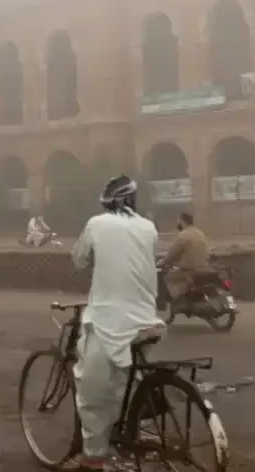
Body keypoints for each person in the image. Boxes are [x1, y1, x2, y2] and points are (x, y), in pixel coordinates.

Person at [70, 176, 164, 471]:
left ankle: (93, 459)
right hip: (147, 318)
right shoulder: (149, 227)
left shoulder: (96, 224)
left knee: (92, 392)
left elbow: (79, 260)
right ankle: (137, 428)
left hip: (108, 319)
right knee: (131, 376)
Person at [159, 212, 215, 301]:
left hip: (190, 269)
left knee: (168, 278)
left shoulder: (184, 235)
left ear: (182, 221)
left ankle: (178, 300)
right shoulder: (199, 233)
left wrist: (162, 262)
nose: (177, 223)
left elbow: (173, 253)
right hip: (203, 267)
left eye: (178, 221)